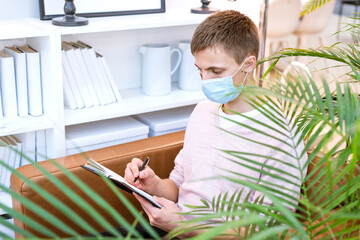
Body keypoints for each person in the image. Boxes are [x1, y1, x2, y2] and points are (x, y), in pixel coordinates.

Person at [123, 10, 307, 238]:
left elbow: (267, 232)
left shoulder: (281, 138)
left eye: (216, 71)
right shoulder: (202, 111)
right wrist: (154, 184)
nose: (205, 81)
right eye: (199, 70)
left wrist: (183, 227)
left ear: (249, 64)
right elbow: (179, 184)